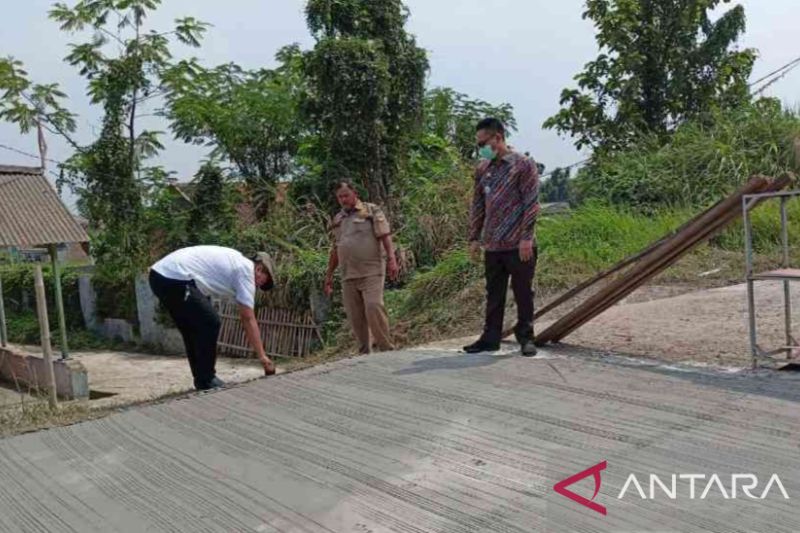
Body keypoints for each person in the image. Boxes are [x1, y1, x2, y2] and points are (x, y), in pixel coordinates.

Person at [149, 245, 277, 390]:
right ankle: (207, 379)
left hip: (159, 276)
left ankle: (202, 381)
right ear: (259, 269)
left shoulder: (235, 262)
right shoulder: (246, 270)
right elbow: (247, 318)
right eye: (262, 282)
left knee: (192, 329)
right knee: (211, 322)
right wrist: (262, 357)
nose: (258, 286)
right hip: (174, 276)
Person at [464, 117, 540, 356]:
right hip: (493, 244)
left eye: (484, 142)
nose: (482, 148)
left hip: (519, 244)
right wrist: (474, 238)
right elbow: (478, 205)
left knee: (523, 292)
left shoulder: (523, 164)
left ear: (498, 138)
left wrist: (527, 237)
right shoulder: (482, 169)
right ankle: (490, 337)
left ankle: (526, 336)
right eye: (479, 144)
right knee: (494, 294)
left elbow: (531, 203)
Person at [324, 181, 399, 354]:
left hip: (371, 270)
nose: (343, 199)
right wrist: (328, 276)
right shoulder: (338, 219)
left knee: (373, 306)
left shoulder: (371, 210)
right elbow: (336, 248)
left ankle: (386, 348)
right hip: (348, 273)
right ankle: (364, 351)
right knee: (355, 315)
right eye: (340, 197)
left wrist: (392, 259)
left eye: (346, 195)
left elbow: (385, 236)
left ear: (354, 193)